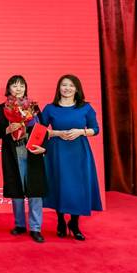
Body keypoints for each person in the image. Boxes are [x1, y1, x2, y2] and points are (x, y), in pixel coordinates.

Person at [41, 74, 102, 241]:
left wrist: (81, 131)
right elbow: (40, 129)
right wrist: (57, 133)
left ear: (77, 89)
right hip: (57, 152)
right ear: (59, 88)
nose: (67, 88)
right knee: (58, 184)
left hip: (79, 152)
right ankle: (60, 221)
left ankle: (74, 223)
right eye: (64, 85)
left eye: (71, 85)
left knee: (78, 187)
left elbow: (95, 129)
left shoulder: (86, 108)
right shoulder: (50, 108)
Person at [0, 75, 47, 243]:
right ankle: (20, 224)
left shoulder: (33, 106)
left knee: (34, 190)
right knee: (16, 189)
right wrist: (8, 129)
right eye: (15, 86)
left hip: (32, 152)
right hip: (13, 153)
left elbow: (43, 129)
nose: (18, 89)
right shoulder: (1, 109)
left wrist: (44, 148)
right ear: (9, 89)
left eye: (21, 86)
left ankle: (36, 228)